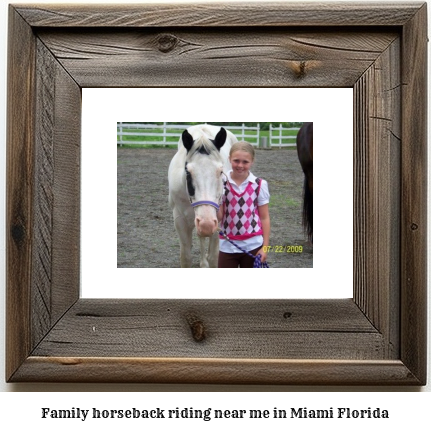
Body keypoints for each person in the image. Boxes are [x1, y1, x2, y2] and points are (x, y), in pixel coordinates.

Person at [218, 141, 270, 268]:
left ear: (252, 161)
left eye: (245, 162)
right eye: (236, 160)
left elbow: (264, 217)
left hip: (253, 245)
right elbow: (220, 217)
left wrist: (265, 247)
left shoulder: (259, 184)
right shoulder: (221, 182)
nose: (240, 165)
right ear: (229, 159)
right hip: (227, 246)